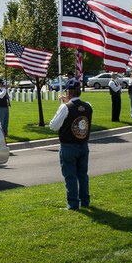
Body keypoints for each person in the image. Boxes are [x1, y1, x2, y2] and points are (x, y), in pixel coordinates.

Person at [48, 78, 92, 210]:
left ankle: (73, 203)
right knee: (83, 175)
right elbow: (78, 109)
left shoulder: (65, 107)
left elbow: (53, 126)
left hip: (68, 146)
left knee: (70, 176)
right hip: (83, 144)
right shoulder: (88, 106)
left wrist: (62, 106)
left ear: (68, 92)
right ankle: (85, 200)